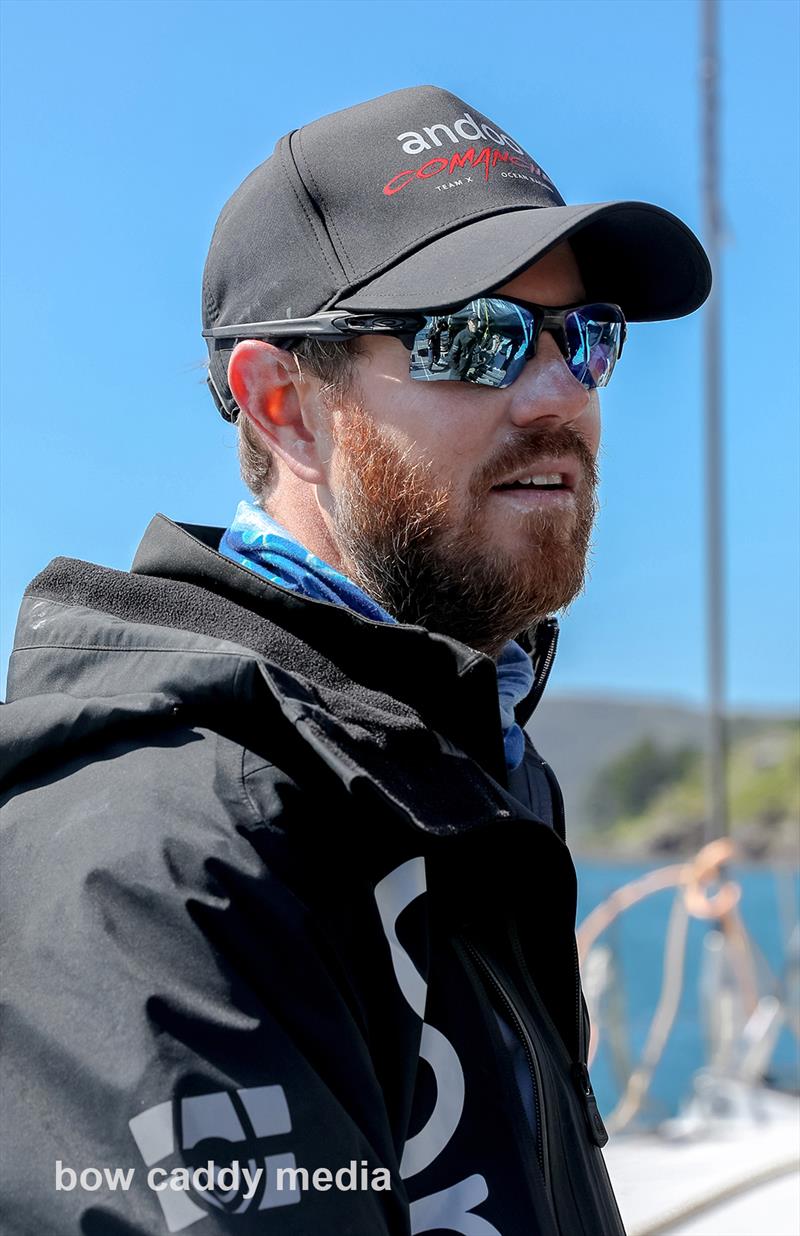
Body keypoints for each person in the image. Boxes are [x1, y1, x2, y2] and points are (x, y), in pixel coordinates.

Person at [0, 84, 711, 1236]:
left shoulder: (464, 771)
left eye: (582, 340)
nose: (556, 396)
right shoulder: (155, 861)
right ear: (282, 406)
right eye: (469, 337)